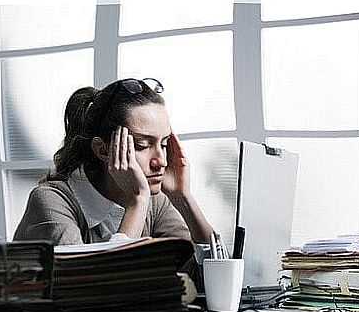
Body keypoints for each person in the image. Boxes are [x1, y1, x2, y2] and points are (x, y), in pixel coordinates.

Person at [13, 78, 216, 246]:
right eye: (142, 145)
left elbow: (208, 281)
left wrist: (184, 198)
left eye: (163, 144)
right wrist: (137, 202)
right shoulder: (51, 201)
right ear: (102, 150)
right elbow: (93, 290)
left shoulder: (156, 201)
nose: (161, 161)